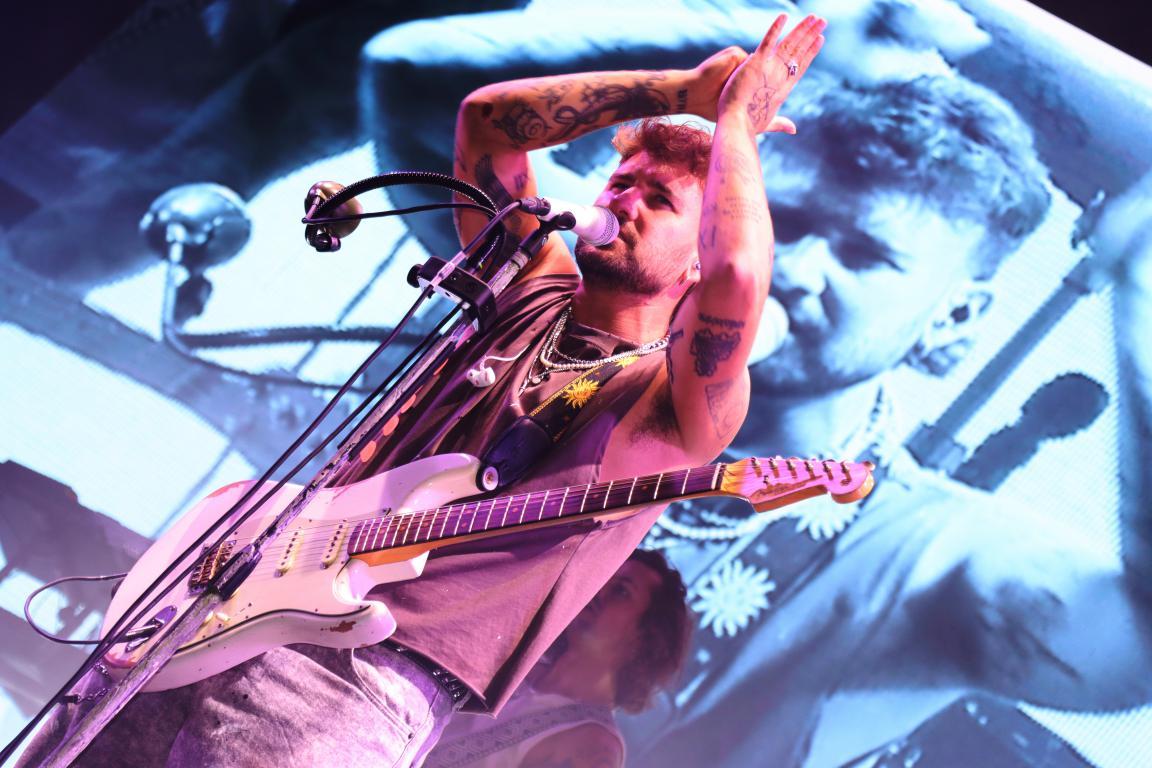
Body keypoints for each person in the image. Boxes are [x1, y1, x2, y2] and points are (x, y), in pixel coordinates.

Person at [15, 14, 826, 767]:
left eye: (660, 198)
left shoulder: (672, 397)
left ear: (696, 253)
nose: (625, 200)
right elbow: (486, 122)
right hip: (213, 607)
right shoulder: (532, 285)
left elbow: (737, 272)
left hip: (355, 684)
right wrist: (682, 90)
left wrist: (733, 125)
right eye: (623, 181)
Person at [628, 75, 1152, 767]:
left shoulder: (931, 555)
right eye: (781, 221)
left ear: (953, 317)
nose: (792, 269)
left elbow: (1135, 648)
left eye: (865, 255)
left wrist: (1141, 290)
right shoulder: (562, 369)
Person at [424, 548, 691, 768]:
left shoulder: (595, 747)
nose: (599, 591)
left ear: (646, 638)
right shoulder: (514, 661)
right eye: (604, 578)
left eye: (621, 591)